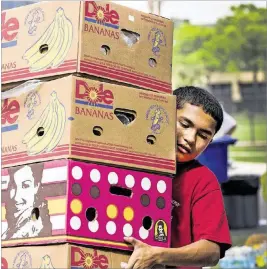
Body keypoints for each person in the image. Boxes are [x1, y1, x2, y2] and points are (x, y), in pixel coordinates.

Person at [123, 86, 232, 269]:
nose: (190, 138)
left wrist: (156, 255)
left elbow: (212, 251)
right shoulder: (128, 160)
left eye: (203, 135)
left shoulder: (203, 181)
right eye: (185, 124)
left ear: (210, 142)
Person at [2, 163, 52, 240]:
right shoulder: (15, 225)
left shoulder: (34, 226)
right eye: (13, 186)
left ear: (36, 187)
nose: (16, 197)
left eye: (25, 186)